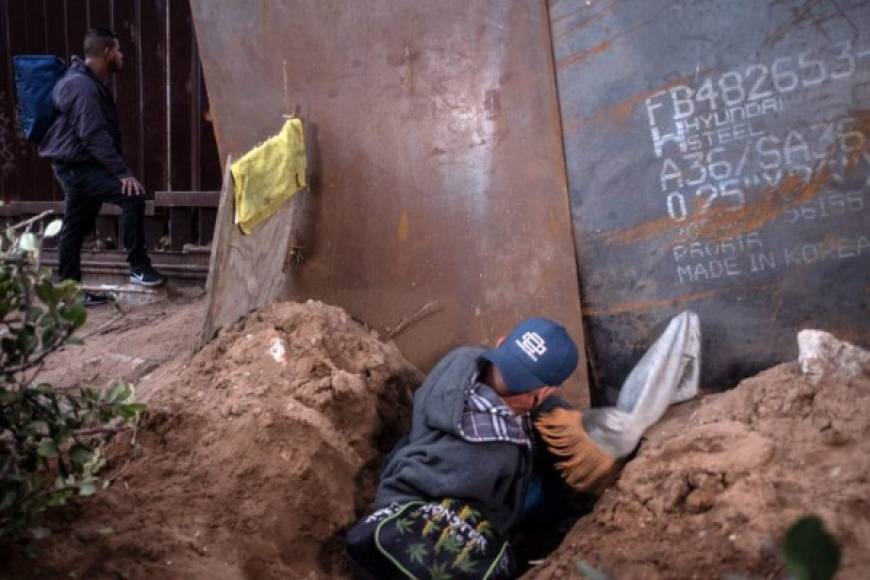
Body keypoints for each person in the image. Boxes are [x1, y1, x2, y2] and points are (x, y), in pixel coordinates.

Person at [345, 318, 579, 580]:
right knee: (548, 496)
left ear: (501, 342)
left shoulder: (463, 359)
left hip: (416, 450)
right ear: (544, 392)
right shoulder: (492, 456)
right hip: (434, 513)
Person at [39, 28, 164, 304]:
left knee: (75, 226)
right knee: (132, 195)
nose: (122, 55)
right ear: (107, 53)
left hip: (77, 165)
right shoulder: (81, 87)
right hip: (77, 167)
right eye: (118, 50)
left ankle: (70, 293)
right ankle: (138, 267)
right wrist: (121, 173)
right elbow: (93, 135)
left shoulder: (84, 82)